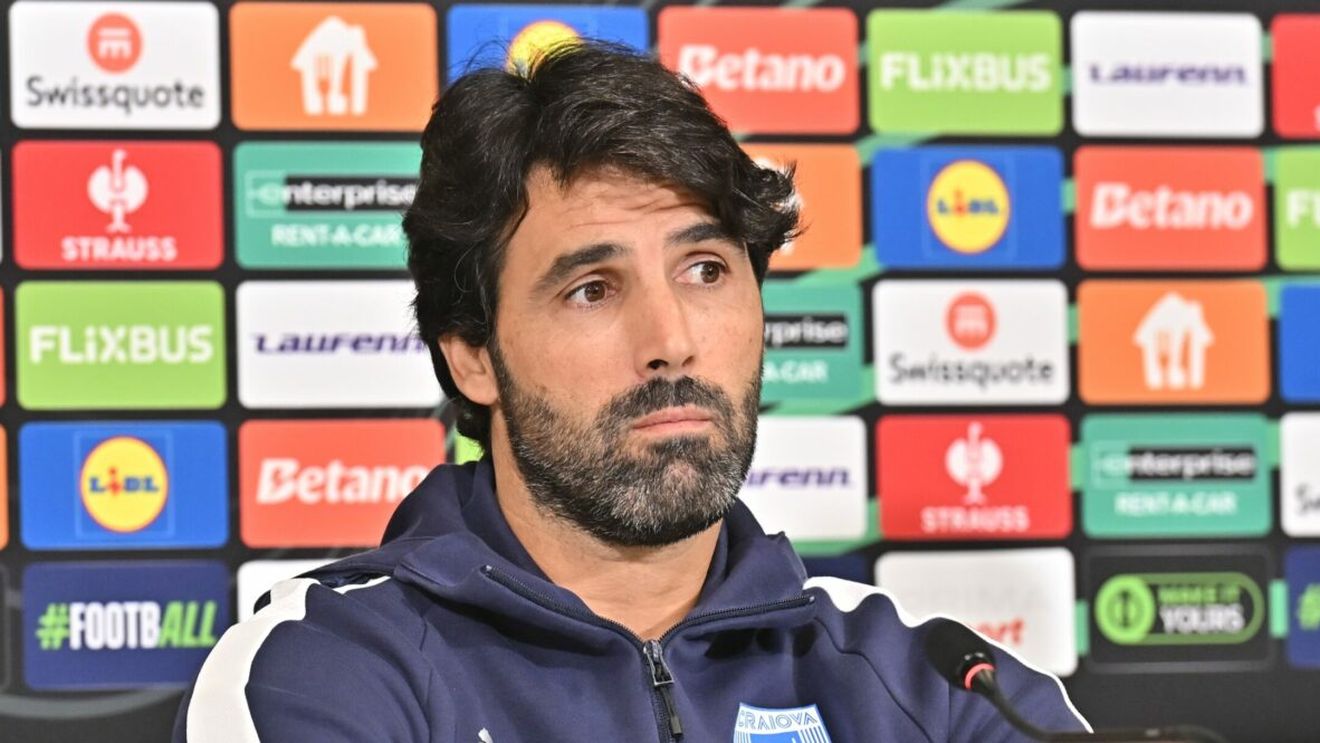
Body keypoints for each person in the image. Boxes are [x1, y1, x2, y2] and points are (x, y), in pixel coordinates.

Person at [174, 41, 1088, 742]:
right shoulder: (323, 670)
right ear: (473, 355)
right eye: (592, 289)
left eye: (705, 270)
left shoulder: (940, 685)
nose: (671, 340)